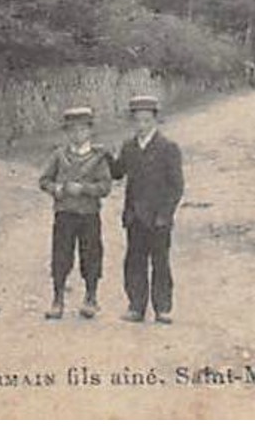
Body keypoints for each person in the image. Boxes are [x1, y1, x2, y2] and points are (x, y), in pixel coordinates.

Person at [108, 94, 184, 324]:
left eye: (146, 120)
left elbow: (176, 186)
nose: (141, 125)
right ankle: (136, 306)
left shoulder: (168, 147)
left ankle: (162, 307)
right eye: (137, 121)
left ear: (155, 120)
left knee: (160, 261)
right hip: (135, 216)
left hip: (159, 217)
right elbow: (118, 173)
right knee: (134, 261)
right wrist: (106, 157)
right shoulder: (129, 146)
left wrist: (165, 214)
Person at [38, 105, 112, 320]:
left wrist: (85, 190)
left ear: (90, 131)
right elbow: (44, 180)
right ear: (66, 133)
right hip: (64, 214)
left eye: (82, 130)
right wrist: (57, 189)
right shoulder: (59, 156)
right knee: (61, 256)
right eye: (72, 130)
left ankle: (91, 297)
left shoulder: (99, 157)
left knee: (91, 255)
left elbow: (105, 187)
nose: (77, 135)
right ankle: (57, 299)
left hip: (89, 214)